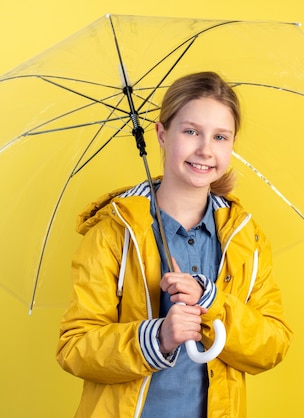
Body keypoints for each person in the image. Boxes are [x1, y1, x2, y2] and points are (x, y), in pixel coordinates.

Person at [56, 71, 292, 417]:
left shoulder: (246, 238)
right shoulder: (113, 233)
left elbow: (272, 344)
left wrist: (211, 303)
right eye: (191, 131)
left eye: (220, 137)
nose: (205, 150)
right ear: (161, 133)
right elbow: (74, 346)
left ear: (232, 144)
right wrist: (158, 337)